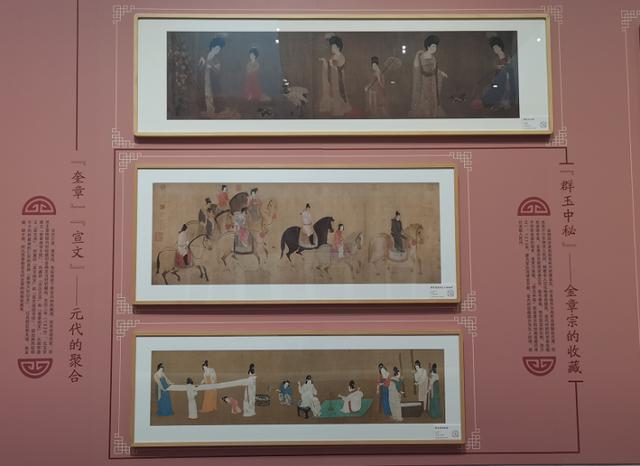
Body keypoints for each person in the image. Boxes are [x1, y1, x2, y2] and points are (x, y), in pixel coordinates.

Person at [410, 34, 448, 117]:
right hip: (424, 83)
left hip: (433, 83)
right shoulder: (421, 57)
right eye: (433, 46)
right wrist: (417, 57)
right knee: (424, 101)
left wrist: (441, 73)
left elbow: (435, 69)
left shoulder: (433, 57)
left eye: (436, 47)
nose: (435, 49)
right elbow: (416, 69)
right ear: (428, 46)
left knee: (433, 100)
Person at [318, 35, 351, 116]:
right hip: (332, 78)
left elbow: (339, 66)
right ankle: (332, 108)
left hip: (338, 78)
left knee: (338, 93)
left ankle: (339, 110)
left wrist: (332, 64)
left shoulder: (341, 56)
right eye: (331, 46)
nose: (331, 48)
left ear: (338, 47)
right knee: (331, 92)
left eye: (333, 46)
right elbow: (330, 66)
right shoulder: (332, 56)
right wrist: (325, 62)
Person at [481, 36, 516, 110]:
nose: (495, 50)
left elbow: (506, 64)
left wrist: (502, 67)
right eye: (493, 48)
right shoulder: (497, 55)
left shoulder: (502, 54)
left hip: (505, 76)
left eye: (496, 48)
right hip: (500, 75)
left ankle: (501, 103)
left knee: (504, 89)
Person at [199, 36, 225, 114]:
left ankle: (212, 110)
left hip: (213, 80)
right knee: (205, 93)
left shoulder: (217, 60)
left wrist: (211, 67)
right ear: (212, 47)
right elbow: (199, 68)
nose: (217, 51)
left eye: (219, 49)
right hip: (204, 79)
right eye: (216, 48)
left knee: (212, 94)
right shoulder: (204, 55)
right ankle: (207, 109)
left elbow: (218, 72)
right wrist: (202, 64)